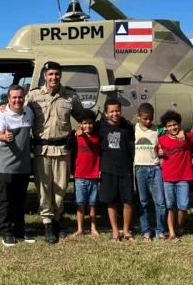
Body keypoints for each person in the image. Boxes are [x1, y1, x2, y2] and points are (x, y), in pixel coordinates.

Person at [25, 61, 87, 244]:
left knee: (60, 188)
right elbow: (17, 109)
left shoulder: (70, 96)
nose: (54, 77)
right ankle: (47, 224)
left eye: (57, 74)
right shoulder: (34, 96)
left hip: (62, 149)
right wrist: (2, 111)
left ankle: (57, 221)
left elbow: (82, 117)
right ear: (45, 75)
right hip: (41, 149)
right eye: (50, 74)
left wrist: (84, 128)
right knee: (44, 188)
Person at [0, 85, 34, 247]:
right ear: (8, 99)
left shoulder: (29, 112)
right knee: (6, 201)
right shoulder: (1, 115)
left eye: (20, 97)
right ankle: (6, 232)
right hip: (6, 166)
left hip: (23, 166)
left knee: (20, 200)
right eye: (14, 97)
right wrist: (5, 136)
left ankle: (19, 229)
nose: (17, 100)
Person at [98, 98, 135, 241]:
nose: (115, 114)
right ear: (106, 114)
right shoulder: (100, 127)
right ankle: (115, 231)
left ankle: (126, 231)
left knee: (128, 201)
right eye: (111, 111)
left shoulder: (127, 126)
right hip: (109, 169)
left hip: (125, 169)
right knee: (111, 201)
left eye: (117, 111)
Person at [158, 110, 193, 241]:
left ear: (179, 124)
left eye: (175, 125)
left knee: (183, 206)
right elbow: (157, 154)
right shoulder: (161, 140)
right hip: (168, 178)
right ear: (165, 128)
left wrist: (183, 132)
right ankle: (172, 232)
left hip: (184, 177)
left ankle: (179, 226)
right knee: (170, 206)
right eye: (169, 126)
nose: (173, 128)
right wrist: (160, 154)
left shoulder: (186, 137)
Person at [134, 102, 167, 242]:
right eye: (144, 119)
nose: (148, 121)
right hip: (139, 168)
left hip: (155, 167)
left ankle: (160, 230)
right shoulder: (133, 129)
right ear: (138, 117)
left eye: (150, 119)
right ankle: (146, 231)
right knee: (143, 201)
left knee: (160, 201)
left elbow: (173, 131)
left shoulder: (158, 129)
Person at [70, 111, 101, 238]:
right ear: (80, 124)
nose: (87, 126)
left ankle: (93, 228)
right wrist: (77, 131)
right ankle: (80, 228)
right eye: (84, 123)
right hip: (80, 176)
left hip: (93, 176)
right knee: (80, 204)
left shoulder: (98, 137)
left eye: (90, 123)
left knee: (92, 204)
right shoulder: (76, 137)